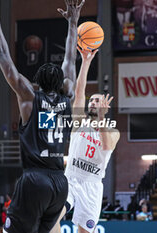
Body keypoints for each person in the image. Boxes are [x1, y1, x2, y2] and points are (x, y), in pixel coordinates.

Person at [0, 0, 84, 232]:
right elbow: (70, 61)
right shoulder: (68, 97)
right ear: (62, 84)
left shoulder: (30, 98)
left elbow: (1, 55)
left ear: (37, 82)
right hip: (60, 183)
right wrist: (73, 23)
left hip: (35, 179)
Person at [51, 49, 120, 233]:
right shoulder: (79, 122)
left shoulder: (113, 131)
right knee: (52, 217)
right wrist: (86, 62)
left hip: (92, 185)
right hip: (71, 179)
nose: (92, 103)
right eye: (92, 101)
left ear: (105, 106)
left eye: (97, 101)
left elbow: (106, 146)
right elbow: (80, 92)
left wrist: (102, 118)